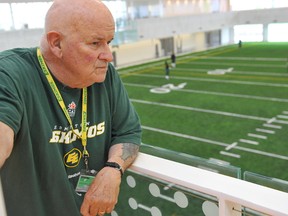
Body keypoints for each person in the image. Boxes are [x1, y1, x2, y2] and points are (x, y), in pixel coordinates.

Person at [0, 0, 142, 215]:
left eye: (109, 42)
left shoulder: (106, 76)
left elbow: (128, 132)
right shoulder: (10, 74)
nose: (108, 55)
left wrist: (114, 169)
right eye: (95, 43)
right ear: (56, 44)